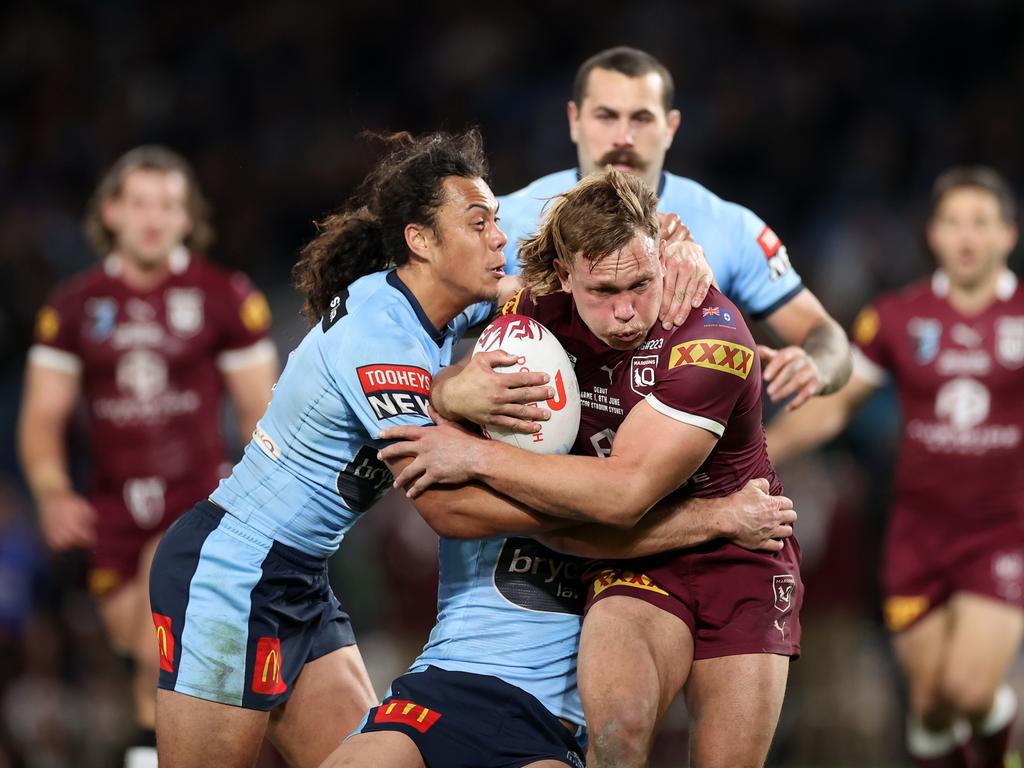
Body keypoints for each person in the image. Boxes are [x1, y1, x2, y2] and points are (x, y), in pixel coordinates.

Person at [375, 169, 801, 768]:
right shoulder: (533, 311)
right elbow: (455, 365)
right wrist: (446, 392)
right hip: (633, 556)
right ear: (566, 273)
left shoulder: (711, 340)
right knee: (615, 735)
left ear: (660, 256)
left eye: (641, 284)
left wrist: (473, 453)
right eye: (604, 291)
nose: (626, 311)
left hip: (742, 560)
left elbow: (622, 495)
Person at [17, 145, 278, 768]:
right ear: (110, 212)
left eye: (167, 205)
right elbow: (42, 419)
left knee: (157, 642)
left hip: (197, 502)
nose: (153, 219)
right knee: (144, 661)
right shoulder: (72, 307)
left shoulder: (225, 297)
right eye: (139, 203)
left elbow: (261, 416)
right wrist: (53, 492)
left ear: (188, 217)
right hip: (109, 512)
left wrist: (265, 505)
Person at [766, 166, 1023, 768]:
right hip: (916, 535)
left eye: (981, 224)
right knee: (931, 707)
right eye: (953, 223)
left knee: (968, 689)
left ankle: (998, 739)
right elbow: (835, 411)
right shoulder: (898, 318)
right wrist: (761, 453)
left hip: (1000, 535)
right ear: (932, 233)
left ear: (1007, 235)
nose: (966, 237)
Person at [499, 45, 850, 411]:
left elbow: (827, 335)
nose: (624, 137)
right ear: (574, 120)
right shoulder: (506, 221)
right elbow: (444, 329)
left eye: (642, 119)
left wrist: (816, 365)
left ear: (671, 127)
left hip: (676, 455)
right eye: (606, 117)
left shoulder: (730, 227)